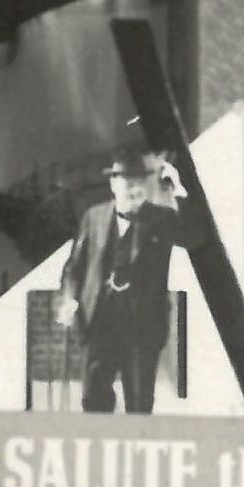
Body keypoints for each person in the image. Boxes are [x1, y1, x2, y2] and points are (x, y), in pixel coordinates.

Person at [63, 153, 177, 411]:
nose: (132, 187)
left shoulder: (160, 219)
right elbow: (74, 266)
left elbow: (193, 234)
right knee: (94, 399)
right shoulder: (94, 217)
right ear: (113, 184)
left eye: (138, 182)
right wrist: (69, 299)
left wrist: (176, 191)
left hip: (141, 325)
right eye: (126, 181)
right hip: (99, 321)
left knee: (139, 403)